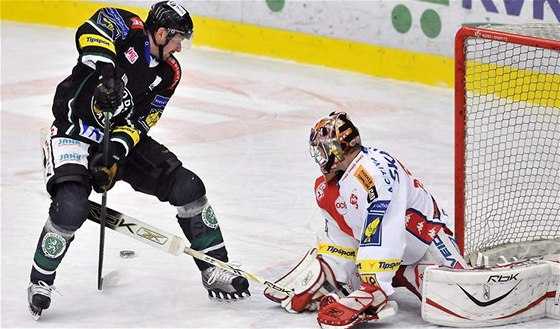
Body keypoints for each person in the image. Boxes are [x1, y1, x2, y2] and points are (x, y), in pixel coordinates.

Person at [28, 1, 250, 319]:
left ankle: (215, 267)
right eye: (178, 40)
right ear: (160, 32)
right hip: (72, 133)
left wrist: (115, 153)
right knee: (72, 206)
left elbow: (142, 121)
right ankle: (41, 281)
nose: (180, 48)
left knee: (188, 186)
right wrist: (107, 74)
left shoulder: (169, 73)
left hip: (115, 140)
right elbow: (89, 33)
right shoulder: (126, 24)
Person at [264, 112, 468, 328]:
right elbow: (341, 236)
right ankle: (394, 274)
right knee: (349, 283)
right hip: (383, 255)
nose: (319, 155)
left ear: (337, 148)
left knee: (460, 302)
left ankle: (407, 272)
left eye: (322, 148)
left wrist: (373, 285)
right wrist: (327, 274)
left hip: (423, 242)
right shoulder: (332, 187)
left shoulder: (373, 173)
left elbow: (384, 228)